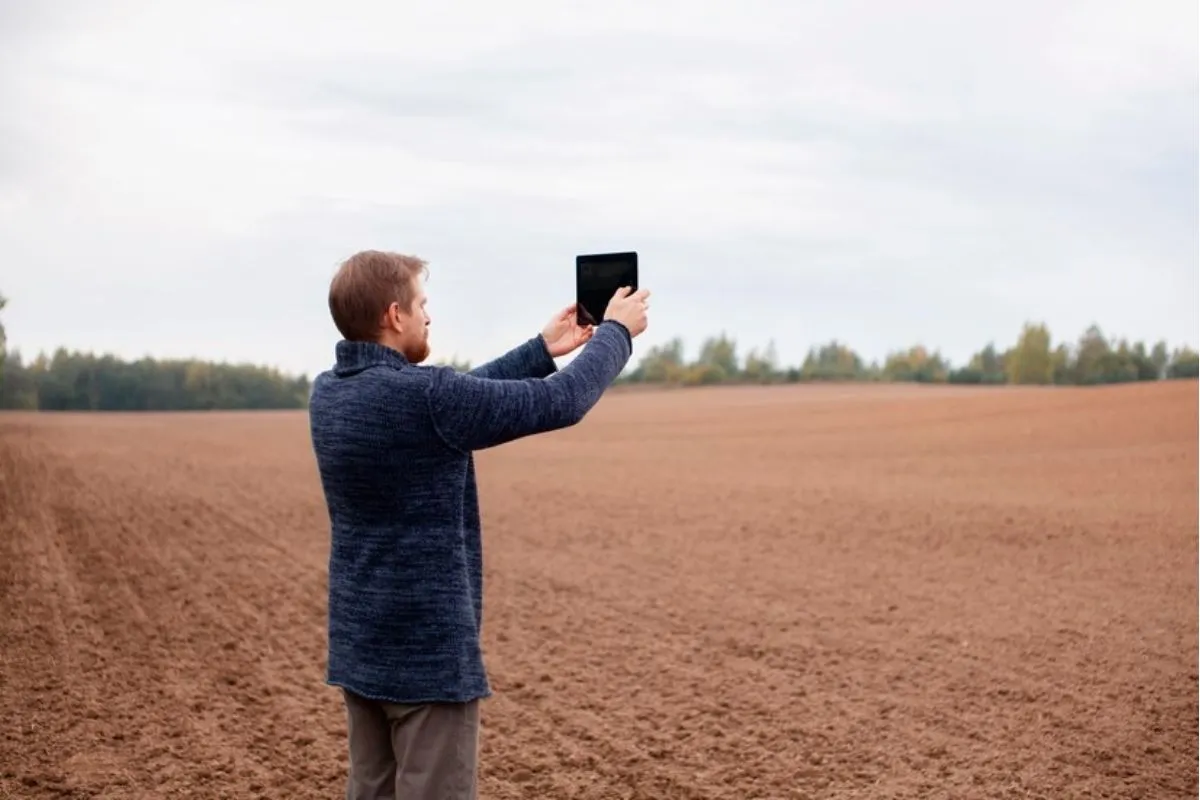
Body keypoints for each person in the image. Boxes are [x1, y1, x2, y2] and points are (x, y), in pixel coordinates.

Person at [307, 249, 650, 799]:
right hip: (428, 661)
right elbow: (559, 402)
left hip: (362, 649)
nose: (429, 316)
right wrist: (617, 333)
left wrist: (540, 351)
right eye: (421, 304)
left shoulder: (331, 394)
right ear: (394, 316)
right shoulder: (423, 399)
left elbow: (446, 409)